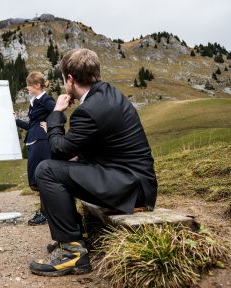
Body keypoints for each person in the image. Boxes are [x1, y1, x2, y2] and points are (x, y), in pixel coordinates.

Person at [29, 49, 158, 276]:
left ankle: (73, 251)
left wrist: (57, 114)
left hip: (131, 187)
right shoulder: (107, 94)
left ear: (70, 79)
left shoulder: (89, 109)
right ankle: (73, 237)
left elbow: (58, 150)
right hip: (133, 180)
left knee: (46, 170)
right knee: (59, 169)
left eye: (63, 79)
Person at [15, 71, 55, 225]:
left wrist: (50, 126)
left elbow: (59, 113)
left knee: (41, 179)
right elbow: (32, 126)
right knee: (36, 179)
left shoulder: (45, 99)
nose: (27, 88)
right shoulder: (34, 102)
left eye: (29, 85)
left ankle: (46, 214)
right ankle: (46, 212)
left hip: (41, 143)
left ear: (37, 85)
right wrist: (16, 121)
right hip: (34, 141)